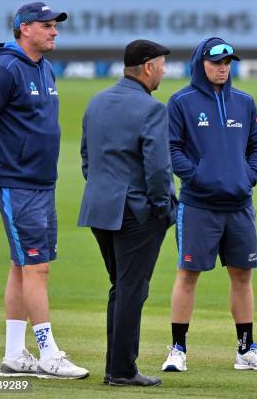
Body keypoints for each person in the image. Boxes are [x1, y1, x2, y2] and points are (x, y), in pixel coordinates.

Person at [0, 2, 88, 379]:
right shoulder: (4, 72)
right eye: (46, 25)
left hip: (40, 183)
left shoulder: (44, 67)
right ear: (24, 29)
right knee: (37, 267)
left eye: (55, 26)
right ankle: (49, 354)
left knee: (22, 265)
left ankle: (15, 355)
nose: (54, 32)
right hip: (19, 185)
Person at [160, 37, 257, 372]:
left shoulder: (244, 102)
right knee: (188, 274)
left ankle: (245, 351)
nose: (223, 68)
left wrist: (248, 176)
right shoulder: (181, 101)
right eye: (216, 63)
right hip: (198, 204)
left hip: (240, 205)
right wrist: (198, 177)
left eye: (227, 63)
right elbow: (171, 150)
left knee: (242, 275)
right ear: (201, 64)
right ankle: (178, 350)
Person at [78, 39, 176, 387]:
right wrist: (162, 207)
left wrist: (104, 191)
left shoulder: (97, 101)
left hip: (99, 209)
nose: (165, 70)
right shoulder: (152, 109)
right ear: (148, 66)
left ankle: (116, 367)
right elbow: (158, 169)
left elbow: (86, 159)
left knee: (120, 288)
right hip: (136, 212)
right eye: (162, 63)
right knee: (131, 289)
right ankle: (121, 370)